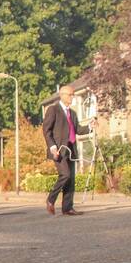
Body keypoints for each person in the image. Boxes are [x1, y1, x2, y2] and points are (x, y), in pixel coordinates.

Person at [43, 85, 92, 216]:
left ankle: (67, 208)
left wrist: (90, 126)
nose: (72, 97)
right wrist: (52, 147)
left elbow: (78, 130)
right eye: (70, 95)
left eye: (73, 95)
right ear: (62, 95)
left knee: (71, 179)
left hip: (71, 148)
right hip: (59, 149)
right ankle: (50, 199)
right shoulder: (53, 109)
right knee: (65, 175)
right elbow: (46, 130)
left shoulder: (73, 113)